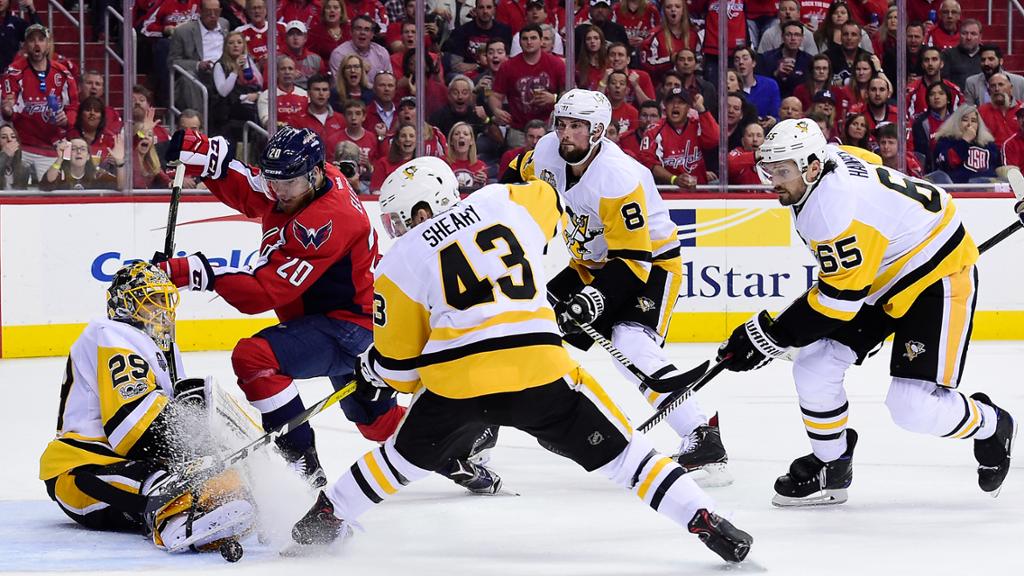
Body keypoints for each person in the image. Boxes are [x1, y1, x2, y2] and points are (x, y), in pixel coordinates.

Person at [287, 156, 754, 564]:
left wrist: (374, 370)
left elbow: (402, 371)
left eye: (398, 218)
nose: (396, 229)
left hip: (457, 385)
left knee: (398, 462)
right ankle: (705, 517)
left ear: (422, 210)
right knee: (627, 458)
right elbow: (549, 198)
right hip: (539, 369)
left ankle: (325, 518)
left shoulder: (398, 261)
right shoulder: (502, 201)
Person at [716, 118, 1016, 506]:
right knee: (814, 364)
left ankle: (992, 424)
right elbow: (870, 166)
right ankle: (832, 463)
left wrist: (769, 337)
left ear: (812, 167)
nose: (773, 181)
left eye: (782, 171)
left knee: (911, 407)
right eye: (768, 170)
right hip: (880, 272)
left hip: (937, 276)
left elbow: (837, 302)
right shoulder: (829, 158)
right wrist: (775, 335)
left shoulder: (832, 210)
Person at [507, 90, 732, 483]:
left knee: (630, 343)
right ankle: (544, 420)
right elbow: (514, 177)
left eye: (576, 126)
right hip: (589, 264)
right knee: (524, 325)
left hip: (650, 264)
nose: (565, 134)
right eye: (562, 124)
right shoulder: (546, 151)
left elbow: (632, 260)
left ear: (597, 131)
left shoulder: (618, 176)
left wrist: (592, 299)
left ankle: (702, 436)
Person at [156, 126, 401, 487]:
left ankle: (303, 467)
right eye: (276, 181)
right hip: (341, 319)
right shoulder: (308, 180)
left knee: (255, 358)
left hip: (351, 328)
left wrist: (195, 272)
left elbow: (262, 292)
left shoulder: (325, 222)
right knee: (377, 424)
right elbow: (256, 192)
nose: (280, 191)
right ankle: (459, 442)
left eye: (289, 183)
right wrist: (211, 162)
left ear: (314, 174)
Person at [38, 261, 258, 554]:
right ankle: (175, 519)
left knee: (214, 475)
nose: (162, 310)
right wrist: (203, 446)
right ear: (126, 305)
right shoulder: (109, 333)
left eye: (165, 301)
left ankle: (202, 508)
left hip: (125, 463)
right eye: (152, 301)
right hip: (81, 470)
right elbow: (134, 426)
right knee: (169, 477)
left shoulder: (158, 348)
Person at [0, 24, 77, 178]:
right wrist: (7, 110)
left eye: (41, 40)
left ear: (48, 44)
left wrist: (67, 120)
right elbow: (9, 110)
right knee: (14, 187)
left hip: (52, 147)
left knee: (54, 189)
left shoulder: (63, 74)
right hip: (22, 147)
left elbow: (73, 107)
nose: (37, 44)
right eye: (31, 40)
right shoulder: (14, 72)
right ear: (25, 45)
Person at [639, 87, 720, 190]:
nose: (675, 106)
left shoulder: (697, 125)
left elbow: (715, 139)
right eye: (671, 102)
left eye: (681, 102)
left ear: (688, 108)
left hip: (699, 192)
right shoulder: (653, 130)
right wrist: (674, 179)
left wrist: (701, 109)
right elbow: (648, 162)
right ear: (665, 106)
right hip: (667, 193)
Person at [933, 104, 1002, 183]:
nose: (969, 124)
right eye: (965, 120)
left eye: (974, 121)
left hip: (986, 187)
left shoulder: (988, 144)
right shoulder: (945, 141)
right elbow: (948, 163)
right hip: (958, 187)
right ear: (956, 122)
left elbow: (995, 169)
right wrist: (965, 140)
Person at [40, 136, 124, 191]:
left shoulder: (97, 174)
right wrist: (60, 158)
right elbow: (47, 183)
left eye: (83, 149)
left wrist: (119, 162)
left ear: (88, 156)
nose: (79, 152)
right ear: (67, 154)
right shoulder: (59, 173)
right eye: (73, 149)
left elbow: (121, 186)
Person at [446, 121, 487, 193]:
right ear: (451, 141)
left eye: (466, 134)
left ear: (471, 141)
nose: (461, 136)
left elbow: (483, 195)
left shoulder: (480, 166)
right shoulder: (443, 163)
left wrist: (482, 184)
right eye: (457, 134)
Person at [0, 122, 36, 189]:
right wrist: (4, 155)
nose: (9, 139)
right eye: (4, 137)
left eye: (13, 137)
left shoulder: (24, 168)